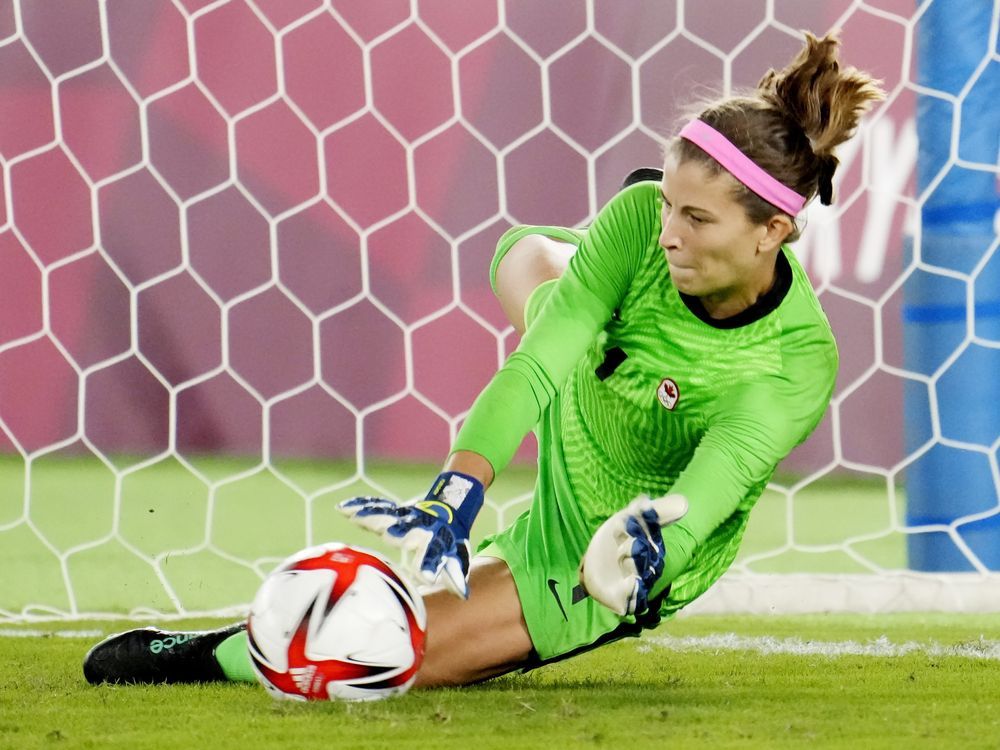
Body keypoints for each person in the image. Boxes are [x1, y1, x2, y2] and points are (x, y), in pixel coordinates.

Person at [83, 31, 884, 689]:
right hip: (587, 391)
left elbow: (704, 497)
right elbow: (537, 365)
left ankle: (216, 653)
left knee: (382, 655)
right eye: (669, 202)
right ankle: (606, 360)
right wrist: (458, 486)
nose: (669, 230)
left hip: (609, 532)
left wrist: (644, 554)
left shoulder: (794, 364)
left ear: (772, 231)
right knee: (533, 260)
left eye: (697, 218)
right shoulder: (643, 221)